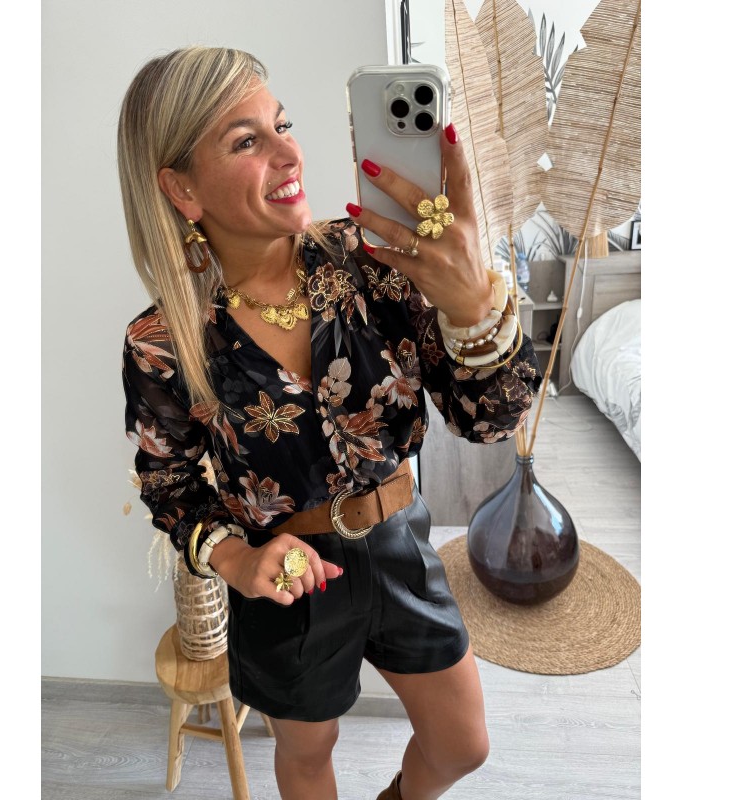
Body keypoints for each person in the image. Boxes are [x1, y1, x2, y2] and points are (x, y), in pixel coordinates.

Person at [120, 46, 541, 800]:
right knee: (309, 755)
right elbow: (168, 485)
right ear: (181, 188)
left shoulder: (372, 262)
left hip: (401, 544)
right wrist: (234, 560)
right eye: (246, 141)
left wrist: (474, 308)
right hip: (287, 584)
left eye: (281, 125)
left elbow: (488, 423)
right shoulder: (163, 342)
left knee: (462, 744)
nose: (290, 154)